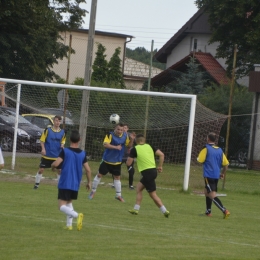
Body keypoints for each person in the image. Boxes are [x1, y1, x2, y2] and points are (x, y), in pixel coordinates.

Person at [51, 129, 92, 231]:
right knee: (69, 202)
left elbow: (56, 164)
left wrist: (52, 167)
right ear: (80, 140)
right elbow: (88, 170)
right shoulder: (82, 154)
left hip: (65, 182)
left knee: (61, 206)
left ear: (69, 139)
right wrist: (89, 182)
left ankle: (77, 215)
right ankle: (69, 225)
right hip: (75, 183)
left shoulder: (65, 151)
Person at [88, 123, 135, 202]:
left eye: (121, 130)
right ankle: (93, 191)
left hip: (117, 161)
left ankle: (118, 195)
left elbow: (129, 146)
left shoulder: (125, 136)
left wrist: (132, 139)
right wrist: (116, 147)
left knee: (117, 177)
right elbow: (105, 144)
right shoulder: (110, 135)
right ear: (115, 129)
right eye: (118, 129)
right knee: (99, 175)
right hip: (107, 160)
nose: (119, 131)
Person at [126, 134, 170, 218]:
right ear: (144, 140)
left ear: (136, 141)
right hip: (153, 171)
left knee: (152, 194)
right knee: (139, 188)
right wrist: (160, 166)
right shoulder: (150, 146)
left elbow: (128, 163)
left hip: (147, 173)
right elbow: (162, 155)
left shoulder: (135, 149)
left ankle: (165, 211)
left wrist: (130, 159)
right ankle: (136, 209)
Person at [197, 132, 230, 219]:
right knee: (206, 191)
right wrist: (222, 174)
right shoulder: (219, 150)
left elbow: (200, 160)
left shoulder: (206, 148)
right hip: (216, 176)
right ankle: (208, 211)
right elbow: (226, 164)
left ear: (208, 139)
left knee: (212, 195)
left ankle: (224, 210)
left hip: (208, 175)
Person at [33, 115, 66, 189]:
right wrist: (43, 149)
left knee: (60, 170)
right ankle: (36, 184)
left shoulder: (62, 132)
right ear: (54, 121)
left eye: (59, 121)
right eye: (56, 120)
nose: (58, 122)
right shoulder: (47, 130)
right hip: (47, 155)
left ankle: (60, 187)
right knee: (41, 170)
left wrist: (62, 145)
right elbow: (42, 141)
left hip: (57, 155)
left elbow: (63, 141)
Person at [112, 123, 135, 189]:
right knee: (115, 169)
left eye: (125, 128)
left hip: (128, 156)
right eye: (123, 128)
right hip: (120, 156)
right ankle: (114, 183)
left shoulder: (130, 136)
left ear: (127, 129)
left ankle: (130, 185)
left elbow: (130, 146)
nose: (124, 129)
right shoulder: (118, 136)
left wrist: (132, 139)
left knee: (131, 170)